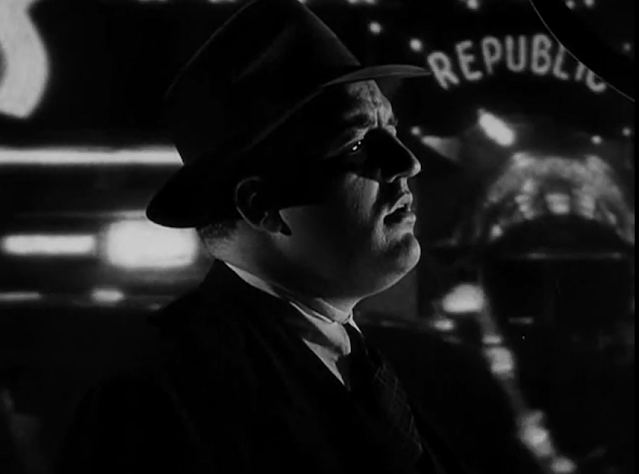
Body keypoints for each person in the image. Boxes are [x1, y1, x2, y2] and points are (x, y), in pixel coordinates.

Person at [56, 0, 470, 472]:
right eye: (356, 144)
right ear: (260, 205)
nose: (407, 163)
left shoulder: (406, 372)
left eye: (391, 130)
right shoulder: (156, 399)